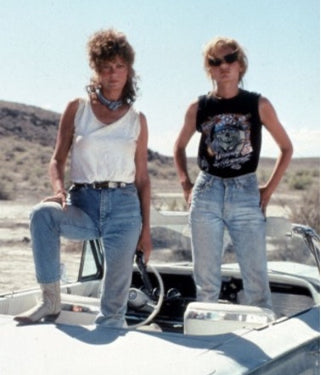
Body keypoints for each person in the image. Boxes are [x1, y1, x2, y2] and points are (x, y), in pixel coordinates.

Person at [15, 28, 151, 327]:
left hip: (125, 209)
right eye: (106, 67)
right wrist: (58, 189)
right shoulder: (78, 109)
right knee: (42, 215)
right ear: (96, 70)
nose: (113, 74)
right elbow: (57, 159)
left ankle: (111, 339)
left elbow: (142, 178)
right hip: (83, 203)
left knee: (113, 309)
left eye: (119, 67)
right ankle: (50, 301)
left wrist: (147, 231)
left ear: (128, 70)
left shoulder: (136, 120)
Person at [174, 36, 293, 309]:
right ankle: (209, 344)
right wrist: (185, 185)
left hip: (245, 191)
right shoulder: (198, 107)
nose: (223, 66)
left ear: (241, 65)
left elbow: (286, 148)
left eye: (229, 59)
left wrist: (268, 190)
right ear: (209, 69)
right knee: (206, 284)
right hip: (207, 192)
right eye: (215, 62)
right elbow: (179, 147)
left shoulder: (258, 104)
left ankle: (265, 347)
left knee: (256, 282)